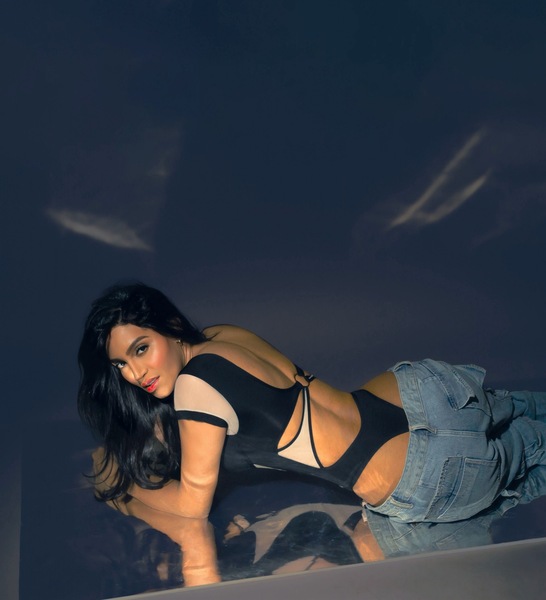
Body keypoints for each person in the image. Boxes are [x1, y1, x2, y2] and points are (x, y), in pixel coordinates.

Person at [78, 282, 546, 584]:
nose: (135, 373)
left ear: (170, 327)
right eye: (121, 365)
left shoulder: (194, 388)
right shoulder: (221, 336)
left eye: (141, 349)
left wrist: (122, 493)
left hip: (421, 471)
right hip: (420, 392)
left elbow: (191, 510)